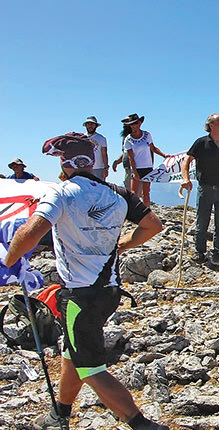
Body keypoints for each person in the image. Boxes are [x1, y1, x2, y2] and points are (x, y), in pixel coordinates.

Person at [4, 133, 166, 430]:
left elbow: (30, 234)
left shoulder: (62, 193)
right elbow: (153, 225)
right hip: (110, 290)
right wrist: (125, 243)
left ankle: (143, 425)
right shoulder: (118, 193)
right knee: (72, 353)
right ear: (92, 163)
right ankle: (60, 414)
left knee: (89, 367)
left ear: (65, 164)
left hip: (80, 296)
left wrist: (9, 259)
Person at [180, 113, 219, 265]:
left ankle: (217, 252)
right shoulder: (201, 142)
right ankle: (200, 252)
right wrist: (185, 178)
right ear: (211, 126)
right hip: (205, 187)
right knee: (202, 221)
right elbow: (186, 160)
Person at [122, 114, 169, 206]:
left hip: (147, 167)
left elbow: (153, 148)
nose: (134, 126)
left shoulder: (147, 135)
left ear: (140, 123)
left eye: (136, 123)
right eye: (132, 124)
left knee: (146, 193)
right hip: (136, 168)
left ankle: (146, 213)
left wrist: (164, 155)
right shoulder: (128, 139)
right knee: (134, 193)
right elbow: (131, 157)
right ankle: (134, 214)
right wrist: (135, 172)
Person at [83, 116, 108, 180]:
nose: (90, 126)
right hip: (85, 168)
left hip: (99, 168)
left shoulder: (101, 138)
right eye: (88, 124)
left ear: (96, 126)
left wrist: (105, 168)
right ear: (85, 125)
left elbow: (104, 153)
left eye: (92, 124)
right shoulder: (82, 138)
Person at [112, 123, 134, 191]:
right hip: (128, 168)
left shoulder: (137, 137)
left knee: (136, 190)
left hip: (136, 168)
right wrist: (117, 162)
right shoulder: (125, 138)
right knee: (129, 188)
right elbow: (125, 152)